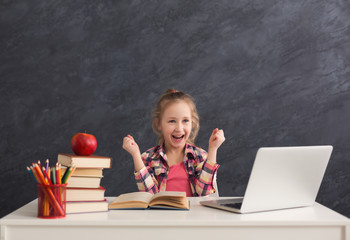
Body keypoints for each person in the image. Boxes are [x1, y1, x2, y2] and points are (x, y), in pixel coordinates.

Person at [122, 89, 225, 197]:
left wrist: (213, 149)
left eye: (185, 121)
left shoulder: (199, 156)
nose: (179, 129)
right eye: (172, 121)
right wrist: (135, 155)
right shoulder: (148, 158)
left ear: (192, 123)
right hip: (161, 214)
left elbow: (204, 192)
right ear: (159, 124)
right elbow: (149, 196)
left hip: (194, 214)